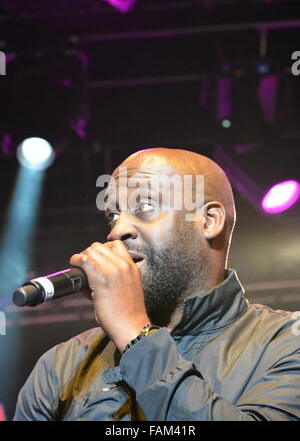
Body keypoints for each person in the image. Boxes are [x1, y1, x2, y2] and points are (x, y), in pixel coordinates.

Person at [14, 148, 300, 421]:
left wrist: (136, 336)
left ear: (209, 221)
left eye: (145, 206)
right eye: (113, 215)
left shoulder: (286, 343)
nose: (117, 230)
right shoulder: (62, 364)